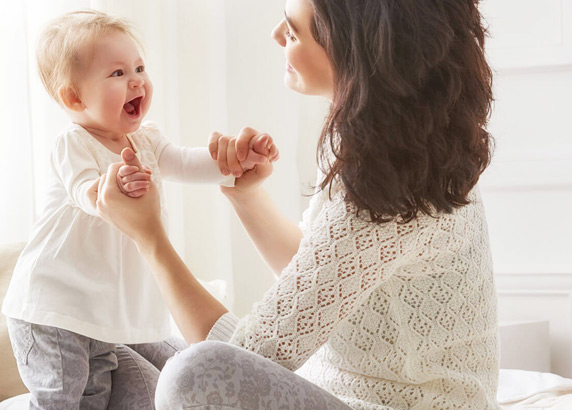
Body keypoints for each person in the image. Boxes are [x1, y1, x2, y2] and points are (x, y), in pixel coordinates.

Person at [93, 0, 499, 408]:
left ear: (352, 49)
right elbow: (320, 274)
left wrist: (149, 238)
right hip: (338, 393)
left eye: (293, 31)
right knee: (127, 340)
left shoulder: (399, 188)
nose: (275, 35)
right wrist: (245, 195)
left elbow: (235, 358)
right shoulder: (401, 151)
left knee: (189, 374)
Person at [1, 10, 278, 410]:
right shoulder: (73, 143)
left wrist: (234, 158)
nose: (136, 80)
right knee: (59, 398)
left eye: (140, 67)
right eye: (117, 73)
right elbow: (85, 192)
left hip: (98, 316)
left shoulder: (146, 140)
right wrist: (110, 187)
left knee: (95, 397)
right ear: (74, 97)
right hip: (52, 309)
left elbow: (184, 162)